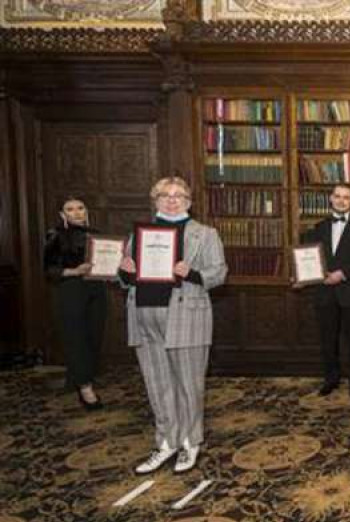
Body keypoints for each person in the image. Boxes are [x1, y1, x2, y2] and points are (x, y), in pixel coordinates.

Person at [120, 177, 228, 475]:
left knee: (188, 385)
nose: (172, 200)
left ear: (189, 202)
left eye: (179, 195)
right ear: (155, 200)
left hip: (185, 316)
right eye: (165, 195)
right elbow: (126, 276)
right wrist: (125, 272)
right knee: (157, 384)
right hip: (144, 314)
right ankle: (166, 441)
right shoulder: (138, 234)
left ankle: (189, 442)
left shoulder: (204, 234)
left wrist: (191, 273)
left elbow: (219, 273)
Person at [299, 184, 350, 397]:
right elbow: (308, 259)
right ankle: (331, 378)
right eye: (337, 196)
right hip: (324, 292)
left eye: (346, 197)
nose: (341, 201)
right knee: (327, 339)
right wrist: (305, 275)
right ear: (331, 199)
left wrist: (343, 273)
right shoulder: (318, 228)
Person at [43, 196, 108, 410]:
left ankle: (81, 378)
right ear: (63, 215)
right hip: (71, 290)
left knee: (93, 336)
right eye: (70, 209)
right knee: (76, 337)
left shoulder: (97, 234)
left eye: (81, 208)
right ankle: (85, 388)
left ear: (86, 211)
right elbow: (49, 270)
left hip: (97, 289)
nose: (77, 212)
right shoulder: (55, 235)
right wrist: (74, 271)